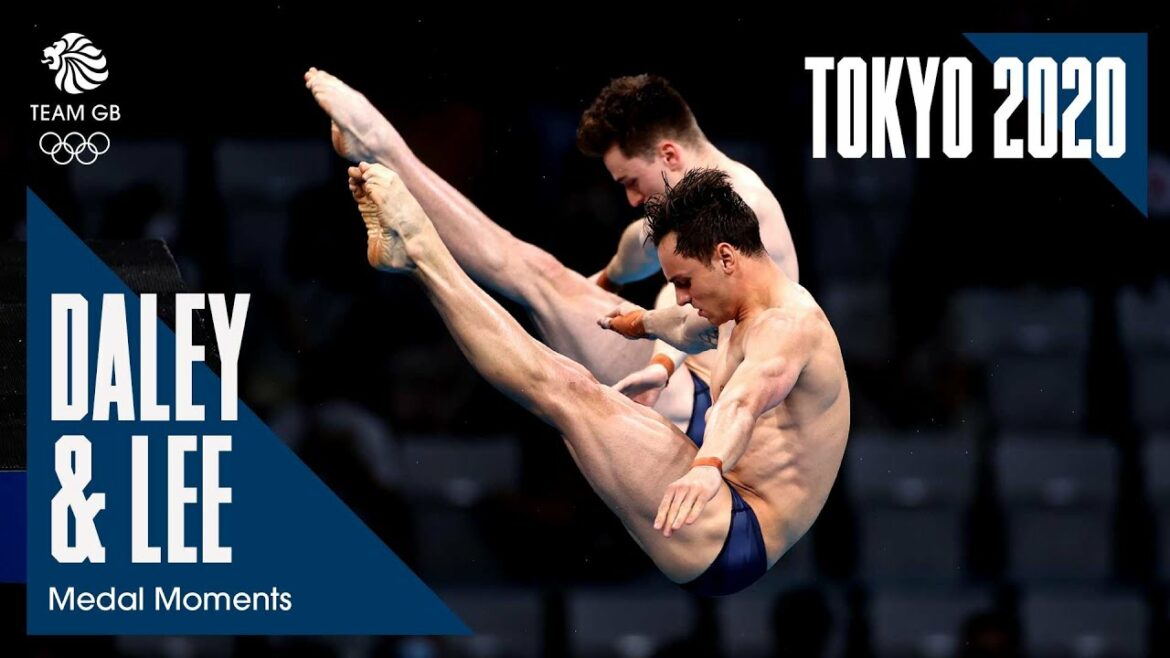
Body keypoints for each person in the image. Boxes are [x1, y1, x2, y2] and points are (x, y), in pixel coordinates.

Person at [345, 162, 848, 596]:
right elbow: (686, 326)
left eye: (684, 283)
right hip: (722, 487)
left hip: (733, 532)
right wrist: (640, 324)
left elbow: (742, 402)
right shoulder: (740, 299)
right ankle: (415, 251)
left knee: (567, 391)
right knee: (572, 373)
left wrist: (707, 466)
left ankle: (419, 253)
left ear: (725, 257)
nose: (681, 296)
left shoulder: (788, 328)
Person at [303, 69, 798, 440]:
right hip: (698, 394)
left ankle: (389, 163)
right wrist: (607, 278)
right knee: (544, 290)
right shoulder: (703, 201)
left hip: (721, 421)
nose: (631, 198)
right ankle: (401, 206)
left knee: (536, 283)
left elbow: (693, 312)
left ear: (669, 154)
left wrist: (662, 364)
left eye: (631, 181)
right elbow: (641, 247)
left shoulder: (741, 207)